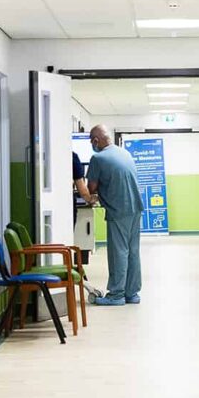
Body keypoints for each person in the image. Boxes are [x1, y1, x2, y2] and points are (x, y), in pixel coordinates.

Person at [83, 125, 143, 305]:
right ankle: (132, 293)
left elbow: (91, 188)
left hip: (118, 210)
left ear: (95, 141)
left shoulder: (98, 158)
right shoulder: (124, 153)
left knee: (119, 253)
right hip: (135, 208)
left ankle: (116, 295)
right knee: (133, 252)